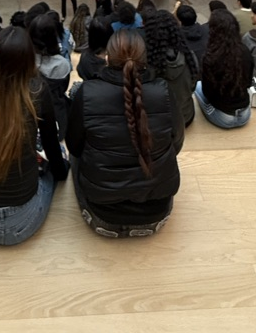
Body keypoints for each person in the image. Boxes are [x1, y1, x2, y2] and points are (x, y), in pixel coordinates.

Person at [66, 30, 184, 238]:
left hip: (101, 211)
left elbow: (74, 146)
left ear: (107, 58)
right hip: (156, 210)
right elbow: (176, 143)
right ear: (144, 60)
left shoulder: (87, 92)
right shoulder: (164, 90)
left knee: (76, 155)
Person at [0, 26, 69, 245]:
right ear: (28, 60)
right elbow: (51, 146)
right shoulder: (37, 91)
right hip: (23, 221)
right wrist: (61, 171)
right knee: (57, 154)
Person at [195, 9, 254, 129]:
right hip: (245, 114)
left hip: (222, 116)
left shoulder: (210, 57)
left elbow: (207, 92)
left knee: (197, 86)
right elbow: (248, 83)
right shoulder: (245, 51)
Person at [143, 9, 198, 125]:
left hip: (160, 123)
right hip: (186, 116)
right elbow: (192, 87)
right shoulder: (190, 57)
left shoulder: (147, 64)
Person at [29, 13, 72, 136]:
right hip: (57, 115)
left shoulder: (25, 61)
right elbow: (63, 88)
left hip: (30, 115)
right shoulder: (63, 64)